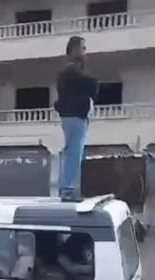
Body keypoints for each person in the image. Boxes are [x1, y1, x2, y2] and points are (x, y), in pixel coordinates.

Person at [55, 36, 99, 202]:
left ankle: (68, 189)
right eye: (83, 47)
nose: (85, 51)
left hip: (74, 115)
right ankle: (68, 190)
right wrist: (93, 86)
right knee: (74, 152)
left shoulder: (72, 70)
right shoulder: (72, 71)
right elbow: (91, 85)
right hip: (75, 116)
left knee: (74, 152)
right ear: (73, 49)